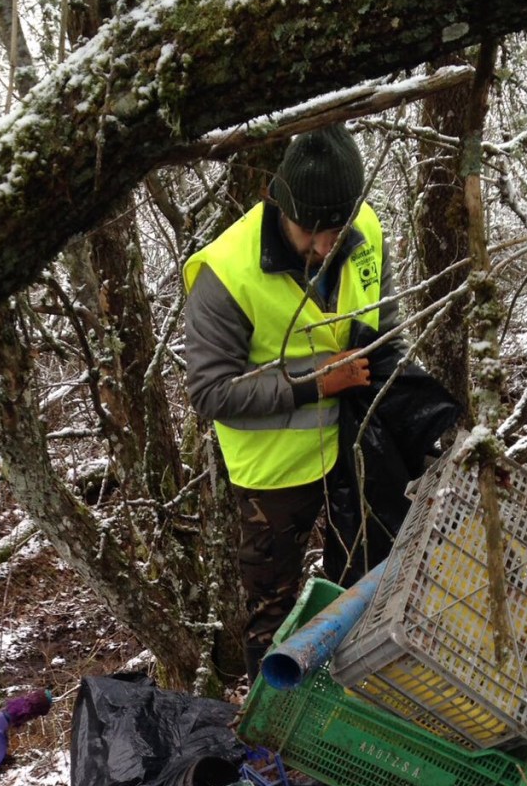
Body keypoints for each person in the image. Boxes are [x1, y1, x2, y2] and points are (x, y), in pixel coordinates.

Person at [184, 123, 451, 682]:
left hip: (353, 448)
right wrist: (313, 384)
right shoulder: (226, 274)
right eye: (312, 230)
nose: (328, 245)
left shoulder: (367, 228)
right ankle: (273, 719)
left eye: (339, 228)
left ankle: (356, 694)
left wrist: (417, 413)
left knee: (361, 581)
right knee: (271, 609)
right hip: (273, 477)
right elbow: (209, 392)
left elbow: (385, 331)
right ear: (279, 203)